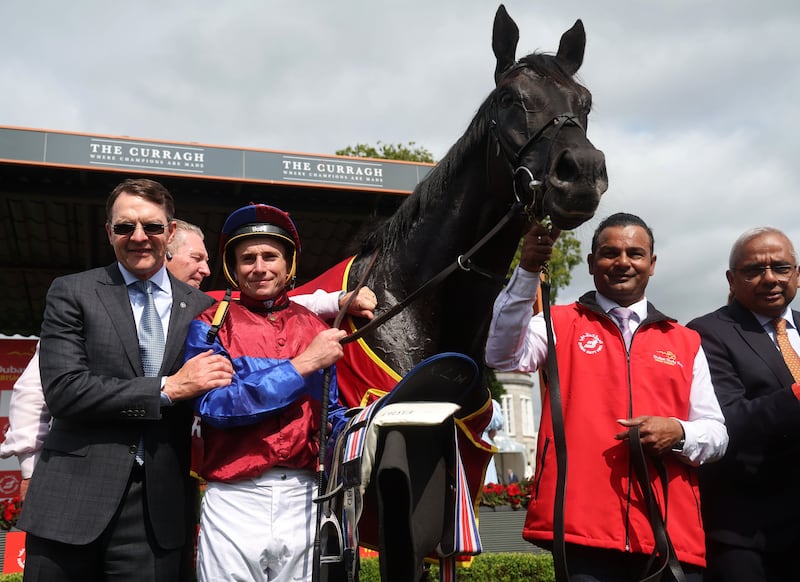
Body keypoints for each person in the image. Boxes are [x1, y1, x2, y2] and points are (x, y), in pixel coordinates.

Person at [485, 212, 728, 581]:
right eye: (609, 253)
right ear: (590, 263)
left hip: (667, 532)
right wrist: (527, 272)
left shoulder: (684, 339)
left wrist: (679, 432)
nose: (623, 262)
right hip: (584, 530)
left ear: (652, 264)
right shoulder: (556, 322)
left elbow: (717, 435)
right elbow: (501, 354)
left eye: (635, 253)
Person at [17, 178, 236, 582]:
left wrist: (334, 305)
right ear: (109, 232)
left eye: (152, 226)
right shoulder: (72, 292)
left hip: (160, 511)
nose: (139, 237)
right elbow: (65, 390)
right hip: (69, 502)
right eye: (125, 227)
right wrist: (167, 389)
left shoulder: (205, 310)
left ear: (170, 233)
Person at [183, 203, 354, 582]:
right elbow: (216, 406)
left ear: (288, 263)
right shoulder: (210, 325)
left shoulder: (314, 326)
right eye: (248, 258)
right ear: (233, 266)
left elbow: (331, 415)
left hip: (305, 497)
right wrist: (302, 365)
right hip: (233, 497)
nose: (259, 267)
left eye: (270, 256)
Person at [0, 219, 212, 502]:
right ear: (165, 253)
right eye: (196, 258)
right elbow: (35, 391)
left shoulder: (204, 314)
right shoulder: (91, 303)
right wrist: (30, 468)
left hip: (165, 490)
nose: (206, 270)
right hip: (84, 483)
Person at [687, 226, 800, 581]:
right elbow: (730, 422)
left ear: (797, 274)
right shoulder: (706, 334)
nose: (769, 278)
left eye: (781, 268)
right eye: (753, 270)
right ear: (731, 280)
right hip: (747, 537)